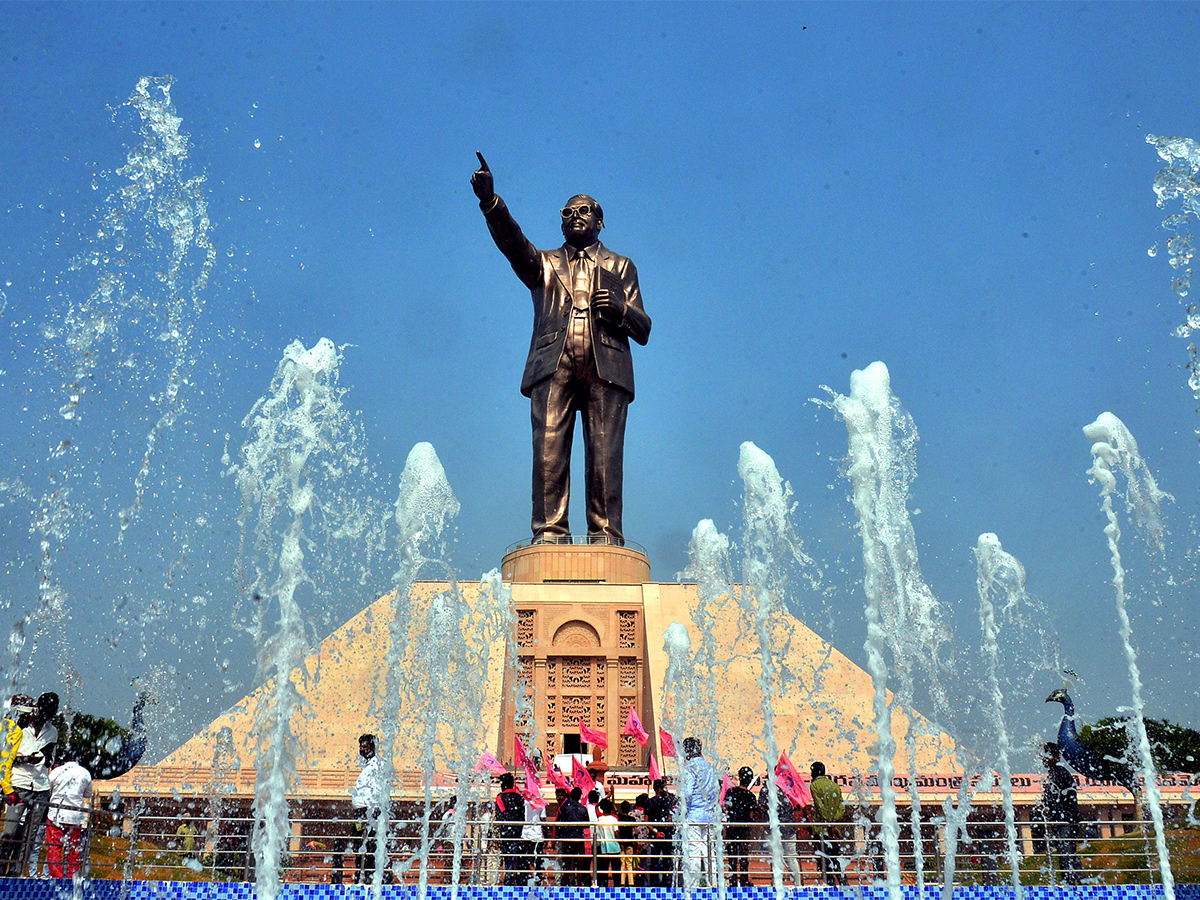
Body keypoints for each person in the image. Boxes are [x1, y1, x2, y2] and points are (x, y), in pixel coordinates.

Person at [472, 155, 652, 546]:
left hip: (607, 364)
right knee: (548, 452)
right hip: (554, 363)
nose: (575, 216)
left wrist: (620, 309)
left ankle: (605, 534)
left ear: (600, 220)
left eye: (584, 210)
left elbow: (644, 328)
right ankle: (550, 533)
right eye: (567, 212)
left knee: (605, 455)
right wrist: (491, 203)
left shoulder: (621, 266)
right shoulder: (545, 264)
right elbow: (512, 243)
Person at [0, 694, 39, 877]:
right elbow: (4, 763)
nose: (30, 719)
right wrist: (9, 790)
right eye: (28, 715)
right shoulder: (14, 730)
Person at [344, 733, 383, 884]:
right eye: (360, 747)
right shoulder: (367, 766)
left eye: (365, 746)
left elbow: (377, 792)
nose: (362, 750)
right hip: (362, 813)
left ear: (373, 747)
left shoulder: (377, 765)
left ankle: (369, 879)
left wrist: (370, 816)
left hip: (369, 813)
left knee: (370, 847)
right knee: (360, 846)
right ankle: (361, 876)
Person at [1041, 742, 1082, 885]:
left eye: (1047, 755)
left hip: (1066, 820)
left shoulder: (1059, 773)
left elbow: (1060, 798)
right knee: (1069, 852)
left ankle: (1070, 883)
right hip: (1065, 819)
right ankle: (1082, 882)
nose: (1044, 759)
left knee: (1065, 852)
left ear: (1056, 757)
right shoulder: (1056, 773)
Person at [680, 737, 719, 890]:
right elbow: (715, 792)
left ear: (688, 751)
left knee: (694, 852)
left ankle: (692, 887)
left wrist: (683, 807)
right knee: (710, 851)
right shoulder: (709, 767)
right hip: (709, 815)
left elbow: (688, 793)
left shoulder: (690, 768)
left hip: (694, 816)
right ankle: (714, 884)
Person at [45, 751, 91, 879]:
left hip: (56, 814)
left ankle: (56, 877)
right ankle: (72, 876)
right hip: (75, 816)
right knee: (73, 850)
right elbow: (88, 794)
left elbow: (48, 789)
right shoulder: (85, 773)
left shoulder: (56, 772)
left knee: (54, 848)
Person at [759, 773, 803, 886]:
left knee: (776, 858)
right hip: (789, 827)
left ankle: (779, 885)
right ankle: (797, 884)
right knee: (791, 857)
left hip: (774, 829)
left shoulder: (765, 790)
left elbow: (762, 808)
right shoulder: (786, 789)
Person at [809, 761, 847, 885]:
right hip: (834, 830)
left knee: (825, 861)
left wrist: (828, 821)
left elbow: (820, 806)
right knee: (836, 857)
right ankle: (843, 883)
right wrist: (834, 820)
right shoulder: (834, 785)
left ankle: (830, 885)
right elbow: (842, 807)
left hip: (822, 829)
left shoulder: (814, 786)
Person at [723, 766, 759, 887]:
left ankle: (733, 881)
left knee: (732, 857)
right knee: (744, 857)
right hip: (744, 830)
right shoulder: (751, 797)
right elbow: (751, 815)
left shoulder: (731, 792)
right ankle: (743, 881)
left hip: (732, 828)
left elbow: (725, 808)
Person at [553, 786, 590, 886]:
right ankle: (579, 883)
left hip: (567, 838)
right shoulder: (582, 808)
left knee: (567, 863)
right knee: (579, 863)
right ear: (579, 797)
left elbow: (560, 824)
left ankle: (567, 883)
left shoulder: (564, 807)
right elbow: (587, 824)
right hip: (578, 838)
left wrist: (557, 838)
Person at [644, 778, 677, 886]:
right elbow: (670, 818)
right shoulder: (667, 801)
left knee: (654, 860)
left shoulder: (649, 802)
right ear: (660, 789)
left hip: (655, 835)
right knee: (668, 860)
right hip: (666, 834)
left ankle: (654, 884)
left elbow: (646, 821)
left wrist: (655, 832)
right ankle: (667, 883)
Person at [494, 772, 526, 885]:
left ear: (503, 785)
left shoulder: (500, 798)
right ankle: (513, 880)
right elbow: (522, 817)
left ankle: (508, 882)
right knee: (514, 858)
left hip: (505, 833)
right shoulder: (520, 798)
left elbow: (500, 817)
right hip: (517, 833)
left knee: (508, 859)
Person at [594, 798, 621, 887]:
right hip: (614, 847)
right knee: (616, 871)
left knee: (604, 870)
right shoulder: (614, 819)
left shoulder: (600, 819)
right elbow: (616, 832)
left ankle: (604, 887)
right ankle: (616, 887)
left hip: (604, 847)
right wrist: (620, 841)